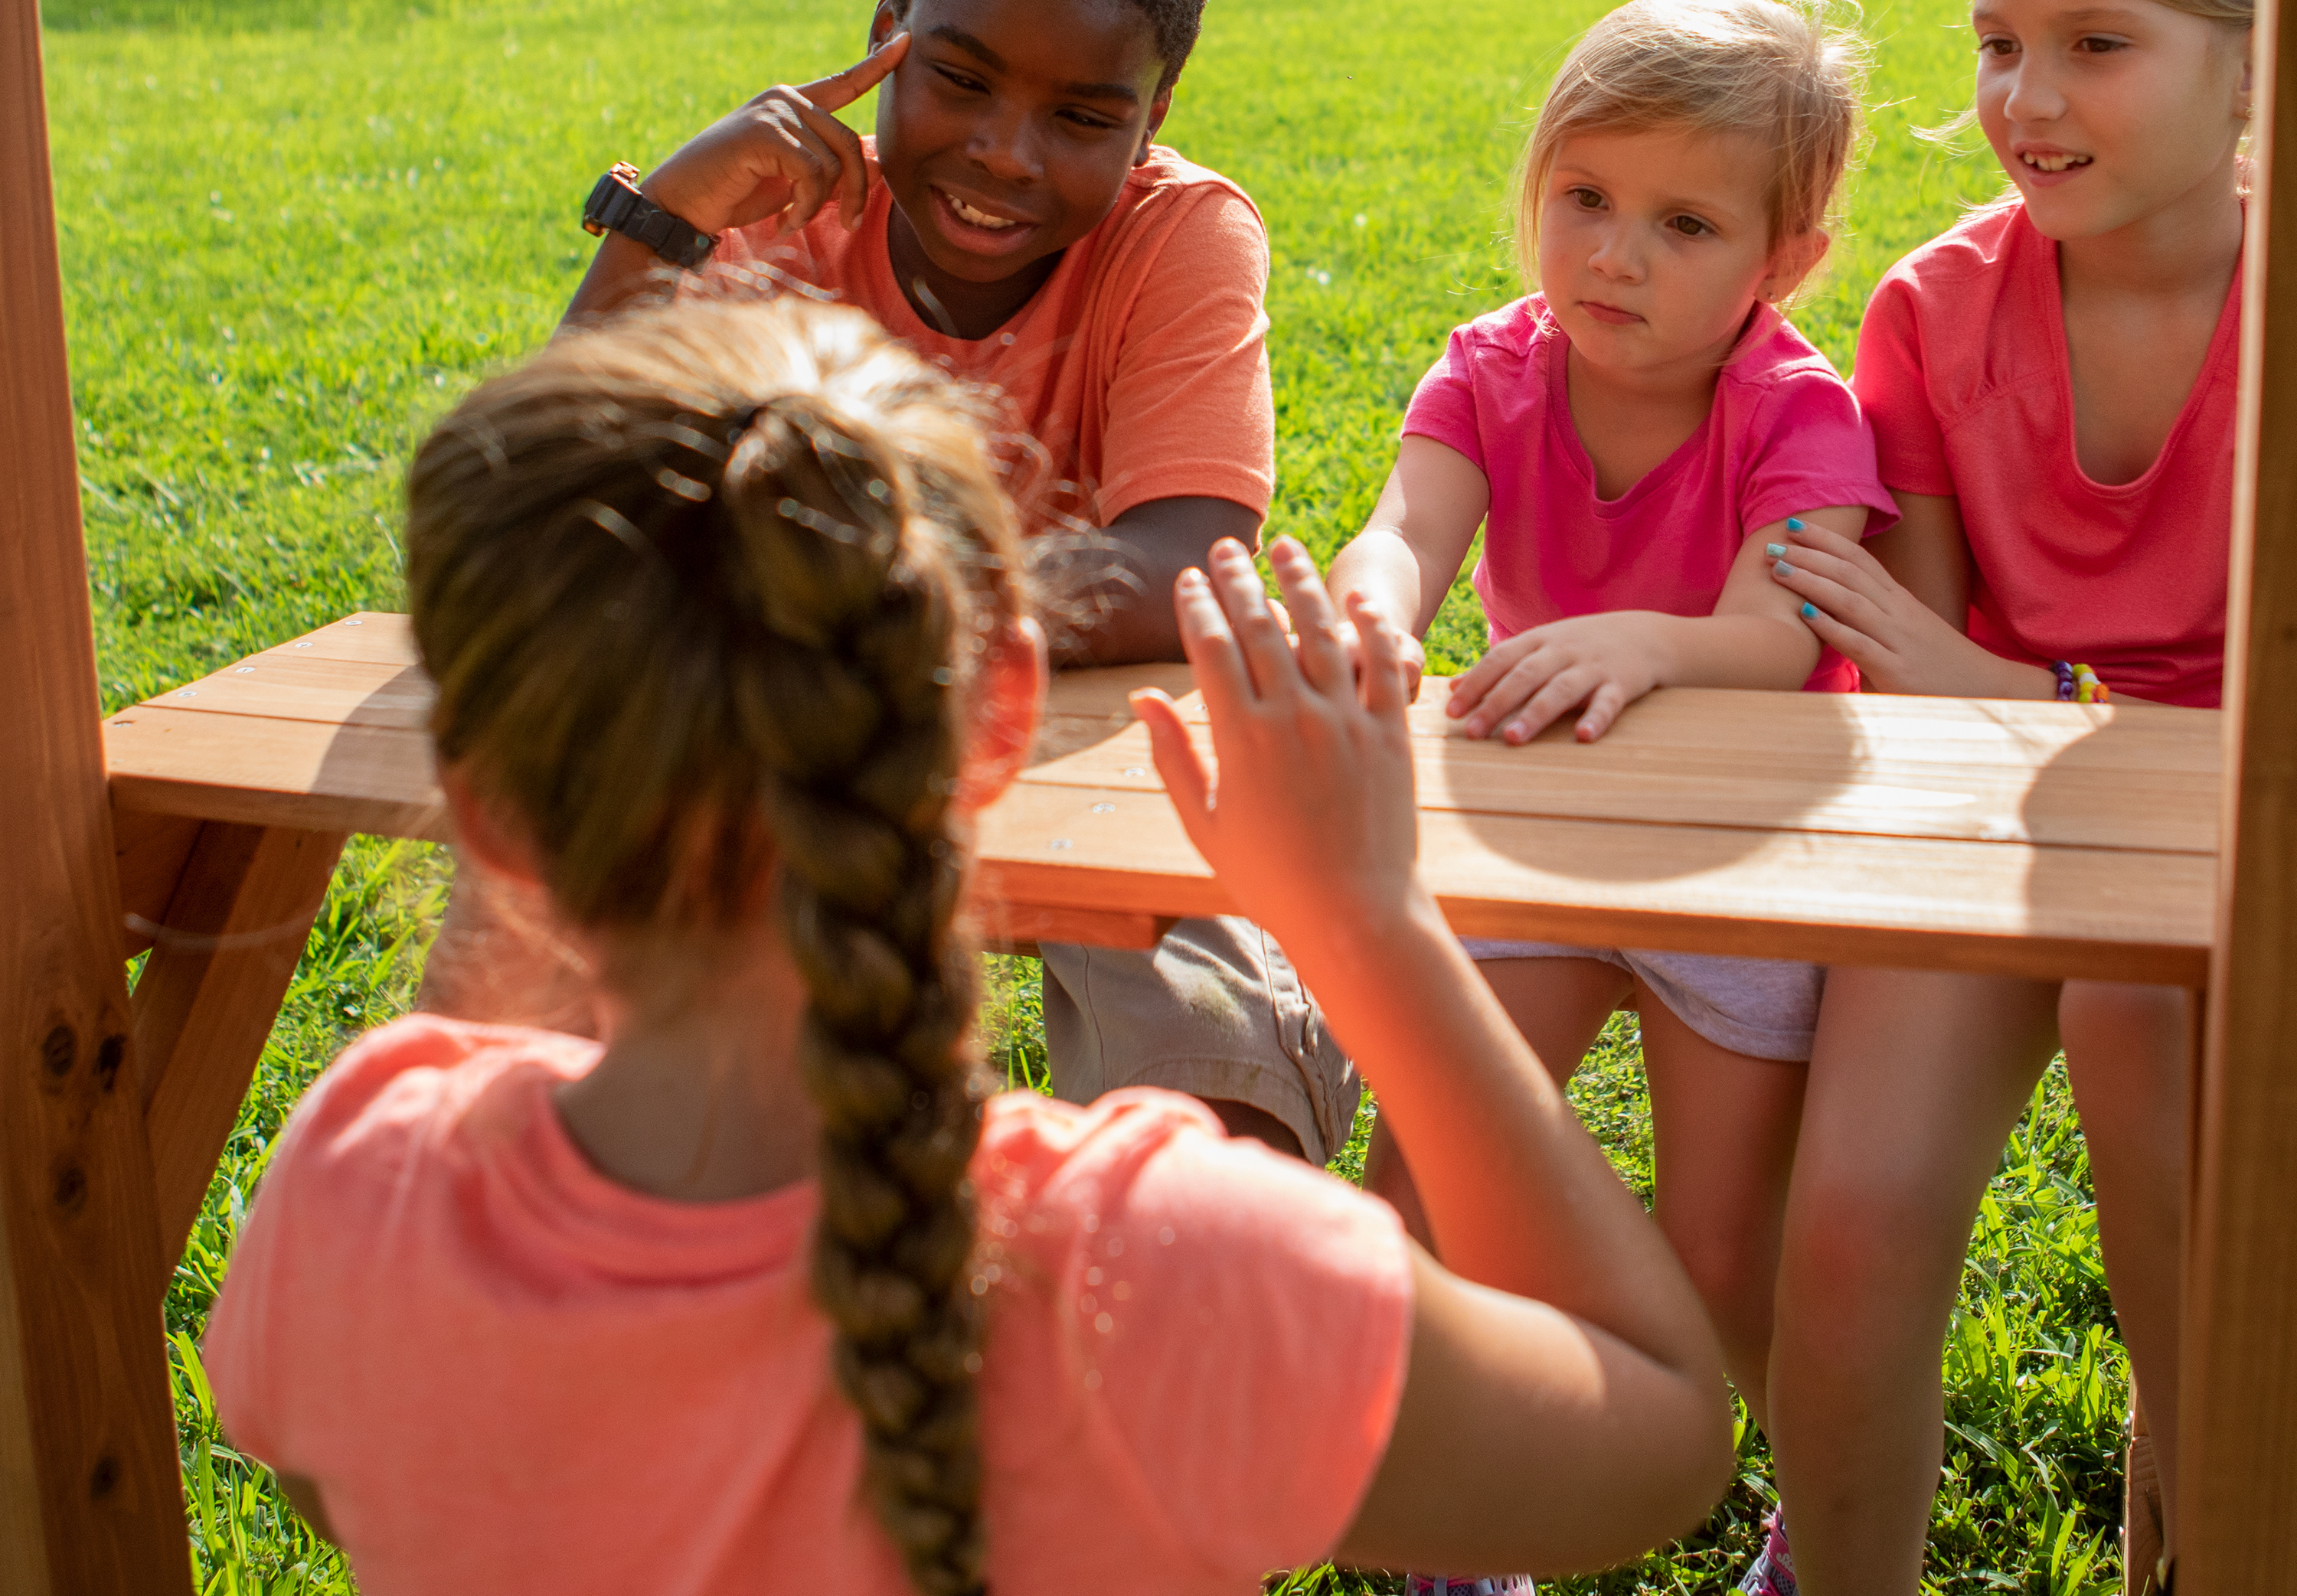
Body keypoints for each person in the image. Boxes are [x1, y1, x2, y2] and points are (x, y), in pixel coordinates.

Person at [201, 297, 1737, 1596]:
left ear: (492, 817)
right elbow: (1662, 1439)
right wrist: (1367, 921)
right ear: (1000, 712)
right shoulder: (1172, 1269)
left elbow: (341, 1479)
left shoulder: (355, 1182)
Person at [429, 0, 1356, 1167]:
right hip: (795, 732)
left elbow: (1184, 564)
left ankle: (1186, 1296)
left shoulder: (1183, 232)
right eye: (960, 81)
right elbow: (546, 515)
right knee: (528, 1029)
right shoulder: (774, 202)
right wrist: (668, 214)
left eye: (1084, 116)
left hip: (1088, 740)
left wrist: (856, 604)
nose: (1005, 153)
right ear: (884, 38)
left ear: (1156, 112)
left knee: (1209, 1076)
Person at [1756, 0, 2259, 1596]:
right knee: (1855, 1232)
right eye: (1996, 42)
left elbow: (2186, 730)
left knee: (2187, 1202)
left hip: (2228, 845)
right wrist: (2017, 699)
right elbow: (1920, 680)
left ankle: (2205, 1529)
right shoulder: (1932, 314)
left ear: (2253, 63)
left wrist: (2020, 694)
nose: (2024, 100)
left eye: (2096, 44)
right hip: (1985, 815)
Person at [1325, 0, 1897, 1591]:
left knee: (1724, 1254)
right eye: (1583, 198)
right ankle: (1460, 1528)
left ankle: (1823, 1523)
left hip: (1742, 859)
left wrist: (1648, 642)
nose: (1614, 256)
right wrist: (1371, 609)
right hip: (1539, 826)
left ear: (1785, 263)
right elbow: (1407, 532)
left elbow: (1781, 633)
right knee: (1426, 1185)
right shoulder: (1494, 370)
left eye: (1684, 224)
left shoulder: (1795, 407)